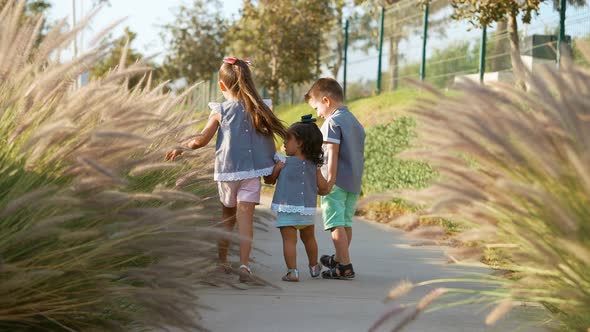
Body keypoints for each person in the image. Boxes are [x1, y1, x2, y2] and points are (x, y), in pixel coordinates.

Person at [166, 57, 287, 283]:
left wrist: (182, 146)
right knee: (246, 221)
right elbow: (271, 138)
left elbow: (201, 140)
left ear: (222, 86)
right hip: (251, 175)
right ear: (248, 82)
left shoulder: (220, 111)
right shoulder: (260, 109)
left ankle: (222, 263)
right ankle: (244, 266)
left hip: (227, 174)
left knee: (226, 219)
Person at [304, 78, 365, 279]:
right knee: (346, 223)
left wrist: (328, 182)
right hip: (353, 182)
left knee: (334, 223)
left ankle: (345, 266)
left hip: (336, 182)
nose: (318, 114)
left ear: (326, 101)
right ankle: (339, 258)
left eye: (316, 108)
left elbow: (332, 153)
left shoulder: (332, 122)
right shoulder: (354, 121)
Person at [265, 115, 330, 282]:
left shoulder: (282, 161)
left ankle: (292, 272)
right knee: (309, 239)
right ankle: (314, 267)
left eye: (288, 139)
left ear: (300, 143)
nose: (284, 144)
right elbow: (323, 187)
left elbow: (270, 181)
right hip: (307, 210)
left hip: (287, 209)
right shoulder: (313, 165)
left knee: (289, 241)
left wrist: (277, 169)